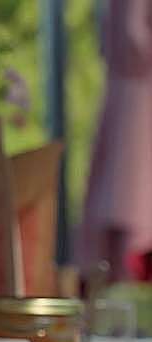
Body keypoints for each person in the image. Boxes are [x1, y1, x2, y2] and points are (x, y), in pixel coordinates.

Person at [80, 0, 152, 282]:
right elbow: (133, 39)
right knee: (128, 206)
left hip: (130, 101)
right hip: (138, 103)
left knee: (125, 205)